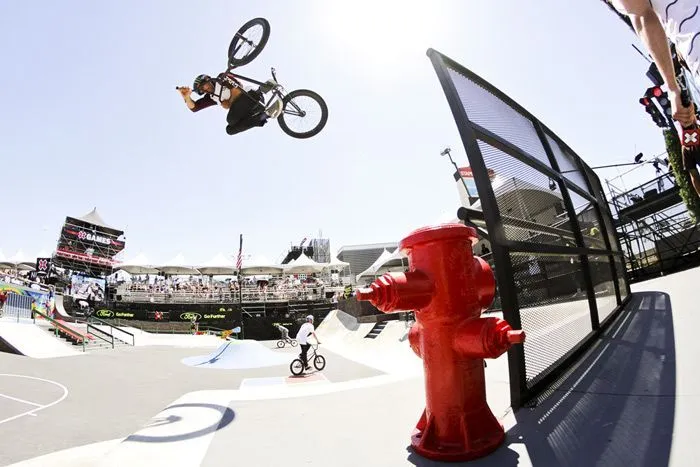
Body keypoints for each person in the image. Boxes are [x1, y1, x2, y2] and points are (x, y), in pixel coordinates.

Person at [606, 1, 700, 192]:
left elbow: (643, 17)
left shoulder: (691, 139)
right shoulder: (691, 140)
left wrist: (672, 88)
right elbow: (692, 172)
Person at [177, 73, 283, 136]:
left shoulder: (221, 78)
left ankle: (264, 88)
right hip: (251, 109)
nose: (206, 89)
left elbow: (238, 87)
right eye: (203, 90)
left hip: (251, 96)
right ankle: (265, 115)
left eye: (205, 86)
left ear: (208, 80)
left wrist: (228, 103)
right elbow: (194, 107)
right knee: (230, 129)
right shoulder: (212, 97)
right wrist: (186, 97)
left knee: (230, 119)